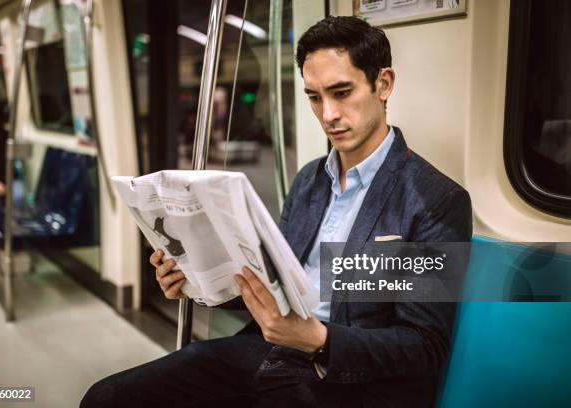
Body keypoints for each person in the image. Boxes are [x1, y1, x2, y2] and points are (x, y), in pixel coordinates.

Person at [81, 16, 471, 407]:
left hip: (350, 381)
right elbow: (274, 286)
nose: (328, 115)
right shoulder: (308, 181)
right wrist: (197, 281)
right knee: (107, 398)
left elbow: (423, 346)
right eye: (315, 97)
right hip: (269, 351)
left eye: (341, 92)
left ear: (383, 84)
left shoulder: (433, 199)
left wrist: (320, 339)